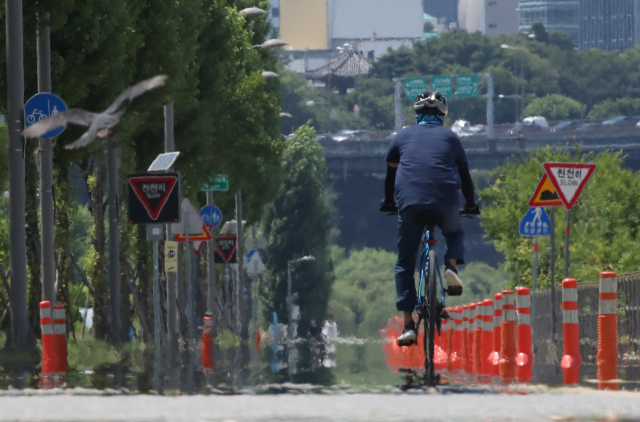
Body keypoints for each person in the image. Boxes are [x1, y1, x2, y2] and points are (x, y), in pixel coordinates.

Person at [380, 90, 480, 346]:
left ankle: (409, 325)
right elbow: (465, 177)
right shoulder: (451, 137)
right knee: (455, 232)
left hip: (410, 204)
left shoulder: (401, 136)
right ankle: (451, 267)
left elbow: (391, 175)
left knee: (404, 264)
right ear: (443, 115)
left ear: (417, 114)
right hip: (445, 201)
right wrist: (470, 204)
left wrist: (389, 202)